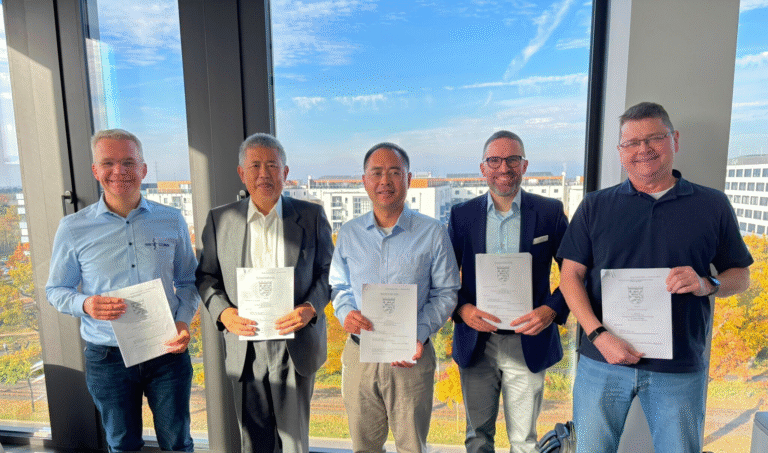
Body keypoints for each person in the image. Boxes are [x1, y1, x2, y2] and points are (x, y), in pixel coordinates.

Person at [558, 102, 753, 453]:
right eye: (632, 142)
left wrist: (707, 284)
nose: (643, 149)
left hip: (679, 366)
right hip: (602, 360)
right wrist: (598, 335)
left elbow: (741, 277)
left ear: (674, 140)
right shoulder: (594, 207)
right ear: (620, 152)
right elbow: (569, 276)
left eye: (654, 138)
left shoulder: (712, 204)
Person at [46, 129, 199, 452]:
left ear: (143, 169)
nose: (119, 171)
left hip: (167, 352)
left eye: (129, 162)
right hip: (107, 356)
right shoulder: (73, 228)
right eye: (108, 163)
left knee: (178, 442)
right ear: (95, 170)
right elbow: (56, 289)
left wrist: (183, 321)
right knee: (121, 444)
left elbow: (189, 281)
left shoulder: (171, 220)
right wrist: (85, 304)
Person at [196, 133, 333, 453]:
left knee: (294, 443)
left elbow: (329, 272)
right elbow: (206, 276)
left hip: (295, 344)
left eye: (272, 165)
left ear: (285, 172)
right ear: (241, 173)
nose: (263, 173)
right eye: (255, 165)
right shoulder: (220, 219)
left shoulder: (312, 216)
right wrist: (223, 312)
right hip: (246, 346)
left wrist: (311, 307)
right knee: (253, 443)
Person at [329, 143, 460, 453]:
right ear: (365, 181)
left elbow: (446, 292)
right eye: (376, 173)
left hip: (411, 355)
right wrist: (344, 311)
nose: (384, 181)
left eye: (394, 173)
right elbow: (339, 286)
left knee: (412, 447)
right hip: (360, 354)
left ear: (408, 178)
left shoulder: (433, 232)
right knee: (364, 447)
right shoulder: (349, 233)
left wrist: (418, 333)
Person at [448, 130, 569, 453]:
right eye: (495, 161)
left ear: (524, 165)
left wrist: (551, 310)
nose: (504, 168)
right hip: (477, 340)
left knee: (524, 441)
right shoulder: (462, 215)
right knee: (477, 438)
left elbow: (574, 272)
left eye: (512, 160)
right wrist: (462, 309)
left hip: (528, 338)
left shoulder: (549, 212)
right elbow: (444, 276)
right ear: (483, 168)